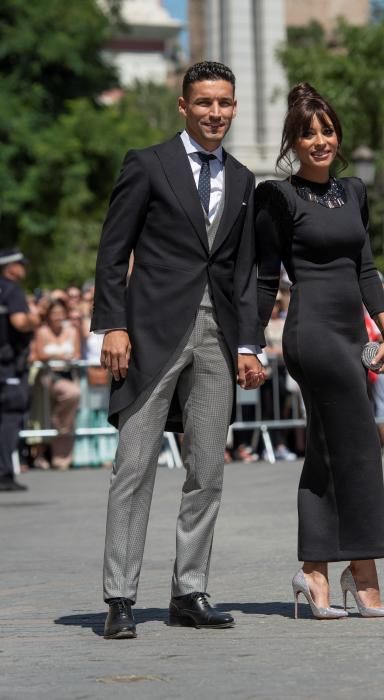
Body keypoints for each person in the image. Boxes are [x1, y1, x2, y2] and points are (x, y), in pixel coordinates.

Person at [91, 61, 264, 638]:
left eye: (225, 103)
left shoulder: (243, 179)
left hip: (218, 337)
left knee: (207, 471)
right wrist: (112, 326)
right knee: (133, 467)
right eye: (205, 102)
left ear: (234, 108)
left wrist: (247, 344)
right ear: (184, 107)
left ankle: (189, 591)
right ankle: (119, 596)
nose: (215, 112)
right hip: (150, 333)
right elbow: (113, 251)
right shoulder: (147, 164)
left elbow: (240, 271)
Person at [255, 83, 384, 619]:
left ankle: (313, 572)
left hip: (352, 332)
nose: (319, 140)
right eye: (307, 133)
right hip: (311, 332)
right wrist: (250, 342)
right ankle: (363, 574)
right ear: (292, 141)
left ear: (338, 137)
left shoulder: (354, 192)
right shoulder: (279, 196)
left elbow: (365, 267)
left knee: (326, 452)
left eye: (327, 130)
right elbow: (266, 278)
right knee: (360, 448)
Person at [0, 248, 40, 491]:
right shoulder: (12, 290)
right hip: (8, 366)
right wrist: (36, 317)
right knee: (10, 417)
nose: (23, 268)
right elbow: (20, 322)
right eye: (20, 264)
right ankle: (4, 473)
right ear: (11, 268)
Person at [31, 299, 81, 470]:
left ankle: (62, 457)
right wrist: (59, 356)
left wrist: (67, 357)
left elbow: (77, 353)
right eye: (55, 313)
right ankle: (40, 456)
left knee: (69, 406)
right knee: (44, 415)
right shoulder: (42, 331)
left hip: (67, 375)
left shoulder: (72, 331)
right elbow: (38, 354)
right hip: (47, 378)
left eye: (61, 313)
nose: (58, 317)